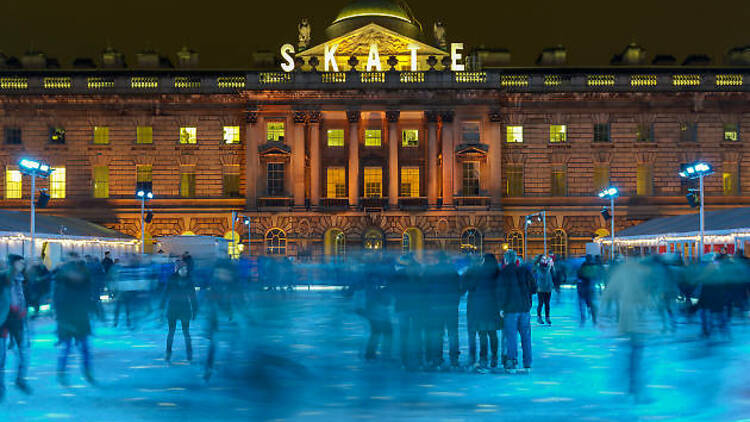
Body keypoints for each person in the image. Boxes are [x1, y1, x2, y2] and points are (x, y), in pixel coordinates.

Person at [53, 255, 97, 386]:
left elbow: (88, 298)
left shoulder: (83, 282)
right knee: (66, 348)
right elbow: (58, 302)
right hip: (68, 320)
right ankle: (62, 372)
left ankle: (87, 372)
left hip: (80, 319)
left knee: (84, 348)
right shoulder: (61, 284)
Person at [497, 249, 536, 373]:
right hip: (524, 308)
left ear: (506, 260)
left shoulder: (504, 272)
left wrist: (501, 307)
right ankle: (527, 363)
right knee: (526, 336)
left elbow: (501, 292)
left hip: (511, 309)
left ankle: (512, 362)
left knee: (511, 337)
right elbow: (534, 288)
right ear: (516, 259)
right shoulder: (524, 271)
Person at [0, 254, 32, 400]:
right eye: (20, 263)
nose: (23, 265)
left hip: (17, 319)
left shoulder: (22, 279)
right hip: (3, 320)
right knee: (1, 357)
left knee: (23, 351)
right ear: (13, 264)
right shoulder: (4, 278)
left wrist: (24, 313)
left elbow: (24, 298)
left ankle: (20, 380)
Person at [424, 252, 462, 369]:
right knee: (453, 334)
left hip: (436, 307)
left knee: (437, 333)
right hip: (450, 306)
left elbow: (426, 289)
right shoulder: (453, 272)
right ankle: (454, 359)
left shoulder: (432, 271)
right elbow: (459, 288)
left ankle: (437, 358)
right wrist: (455, 302)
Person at [203, 260, 236, 381]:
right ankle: (209, 368)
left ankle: (224, 366)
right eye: (220, 273)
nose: (223, 275)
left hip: (227, 320)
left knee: (229, 344)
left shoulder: (230, 286)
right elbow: (210, 305)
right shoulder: (214, 286)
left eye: (225, 273)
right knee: (213, 345)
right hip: (214, 321)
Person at [161, 260, 198, 362]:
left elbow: (193, 296)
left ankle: (189, 354)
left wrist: (195, 310)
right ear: (178, 270)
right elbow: (165, 293)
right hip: (173, 309)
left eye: (186, 269)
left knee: (186, 332)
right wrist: (162, 306)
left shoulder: (189, 280)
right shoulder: (172, 279)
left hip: (185, 309)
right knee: (171, 332)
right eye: (183, 269)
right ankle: (168, 353)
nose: (185, 271)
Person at [577, 255, 601, 326]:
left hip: (584, 288)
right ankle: (593, 319)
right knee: (590, 303)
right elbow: (598, 276)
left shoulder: (583, 266)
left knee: (583, 304)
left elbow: (579, 275)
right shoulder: (595, 266)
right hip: (589, 288)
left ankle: (584, 319)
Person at [535, 255, 554, 325]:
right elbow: (543, 274)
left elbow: (553, 274)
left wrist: (552, 266)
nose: (544, 260)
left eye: (545, 259)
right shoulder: (539, 267)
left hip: (548, 287)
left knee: (547, 303)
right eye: (543, 259)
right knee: (540, 303)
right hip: (540, 288)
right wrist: (549, 267)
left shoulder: (549, 267)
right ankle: (539, 317)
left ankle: (547, 317)